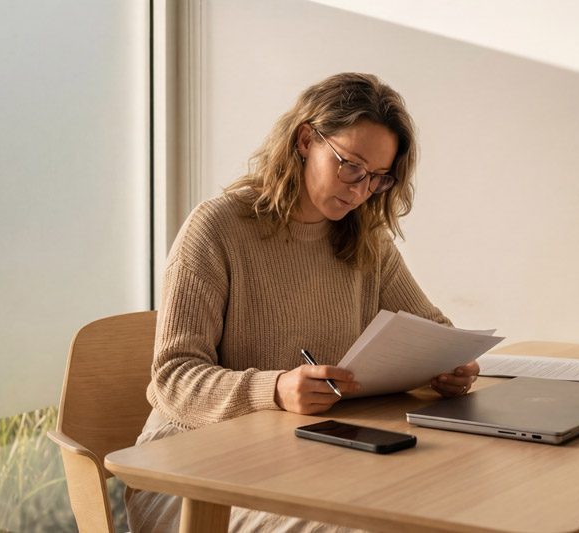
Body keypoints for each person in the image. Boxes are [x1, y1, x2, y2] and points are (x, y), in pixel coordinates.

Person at [125, 72, 480, 532]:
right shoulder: (217, 228)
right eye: (350, 165)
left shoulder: (366, 240)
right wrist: (271, 390)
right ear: (306, 139)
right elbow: (173, 378)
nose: (359, 189)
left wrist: (448, 368)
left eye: (377, 178)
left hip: (304, 456)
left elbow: (432, 328)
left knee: (448, 502)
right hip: (189, 467)